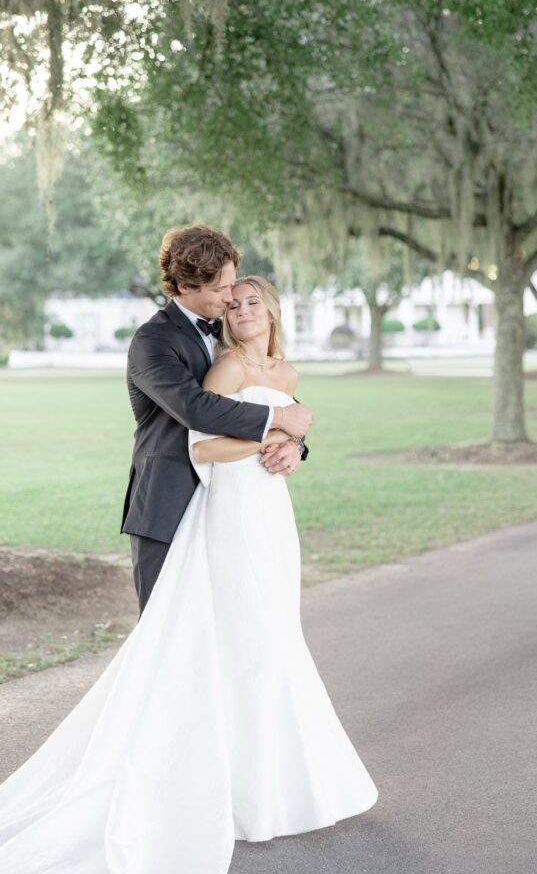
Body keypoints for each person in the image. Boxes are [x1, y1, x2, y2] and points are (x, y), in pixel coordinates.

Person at [0, 274, 378, 873]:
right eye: (233, 295)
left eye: (251, 298)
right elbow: (201, 439)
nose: (239, 305)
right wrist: (276, 435)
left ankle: (271, 787)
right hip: (216, 511)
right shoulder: (203, 358)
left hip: (270, 516)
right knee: (195, 649)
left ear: (274, 310)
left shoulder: (288, 374)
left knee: (272, 643)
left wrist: (292, 448)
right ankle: (177, 789)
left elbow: (287, 430)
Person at [122, 224, 313, 613]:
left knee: (228, 626)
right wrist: (278, 421)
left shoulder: (230, 337)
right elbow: (197, 408)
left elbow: (275, 400)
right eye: (222, 289)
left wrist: (294, 444)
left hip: (231, 506)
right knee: (167, 629)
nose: (231, 298)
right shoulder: (153, 342)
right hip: (169, 503)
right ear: (185, 286)